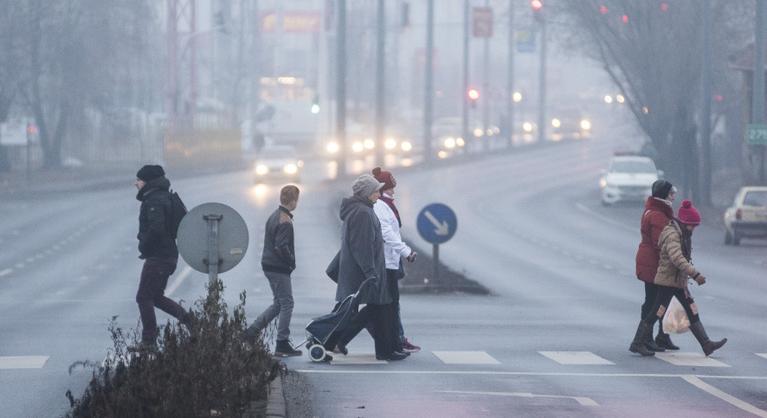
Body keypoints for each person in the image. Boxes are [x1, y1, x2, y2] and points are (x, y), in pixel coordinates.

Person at [629, 200, 727, 357]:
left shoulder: (683, 234)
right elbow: (677, 258)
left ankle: (706, 344)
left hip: (678, 281)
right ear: (684, 222)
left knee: (691, 310)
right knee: (657, 312)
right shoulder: (672, 234)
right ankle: (637, 342)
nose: (694, 228)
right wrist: (695, 274)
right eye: (692, 225)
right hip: (668, 281)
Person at [333, 174, 407, 361]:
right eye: (376, 191)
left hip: (367, 270)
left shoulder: (364, 209)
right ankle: (383, 349)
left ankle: (385, 348)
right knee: (378, 307)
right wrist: (371, 272)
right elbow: (362, 246)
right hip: (366, 272)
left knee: (375, 308)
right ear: (367, 193)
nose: (378, 193)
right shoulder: (363, 213)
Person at [134, 164, 191, 349]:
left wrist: (143, 244)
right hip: (167, 255)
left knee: (143, 297)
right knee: (156, 297)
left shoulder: (154, 200)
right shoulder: (161, 196)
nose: (136, 184)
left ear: (148, 181)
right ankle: (192, 323)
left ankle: (149, 340)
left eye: (139, 180)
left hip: (159, 256)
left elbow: (156, 228)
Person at [245, 185, 302, 357]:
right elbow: (281, 246)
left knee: (279, 303)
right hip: (278, 267)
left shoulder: (274, 215)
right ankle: (282, 343)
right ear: (293, 201)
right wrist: (290, 261)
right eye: (297, 200)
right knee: (287, 303)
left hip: (269, 264)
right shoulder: (285, 220)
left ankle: (251, 332)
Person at [371, 167, 420, 353]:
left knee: (386, 305)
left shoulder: (386, 204)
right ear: (383, 188)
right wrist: (405, 251)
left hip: (390, 260)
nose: (394, 190)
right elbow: (387, 233)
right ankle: (393, 342)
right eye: (391, 187)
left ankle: (396, 339)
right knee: (386, 306)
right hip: (385, 262)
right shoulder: (380, 206)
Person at [635, 180, 677, 352]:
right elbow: (660, 243)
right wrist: (672, 261)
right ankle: (646, 339)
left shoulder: (656, 210)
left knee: (659, 301)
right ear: (664, 195)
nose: (674, 196)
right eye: (671, 193)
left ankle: (660, 336)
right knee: (654, 302)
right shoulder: (658, 214)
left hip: (650, 261)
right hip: (654, 263)